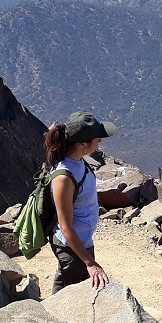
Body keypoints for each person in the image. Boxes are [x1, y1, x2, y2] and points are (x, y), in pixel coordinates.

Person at [45, 111, 116, 292]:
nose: (100, 141)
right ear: (83, 144)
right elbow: (65, 226)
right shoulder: (64, 178)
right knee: (77, 290)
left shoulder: (78, 161)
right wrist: (90, 263)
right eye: (97, 138)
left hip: (81, 241)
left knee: (65, 283)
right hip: (71, 245)